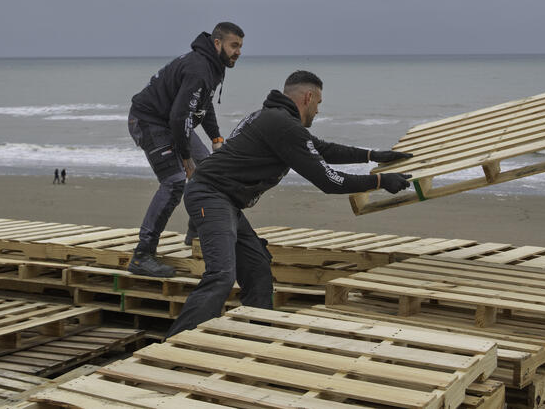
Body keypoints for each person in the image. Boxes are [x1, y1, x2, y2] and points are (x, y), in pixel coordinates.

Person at [166, 70, 412, 336]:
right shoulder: (282, 124)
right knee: (221, 276)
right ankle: (172, 347)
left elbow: (321, 149)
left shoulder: (273, 118)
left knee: (257, 266)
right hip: (210, 196)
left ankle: (259, 337)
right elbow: (329, 181)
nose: (317, 111)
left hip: (222, 199)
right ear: (308, 97)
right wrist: (379, 182)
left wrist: (373, 155)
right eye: (318, 103)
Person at [127, 22, 245, 278]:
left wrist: (216, 137)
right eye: (234, 45)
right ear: (217, 43)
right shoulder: (199, 69)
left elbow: (204, 104)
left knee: (210, 171)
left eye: (240, 47)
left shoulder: (213, 67)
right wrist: (186, 159)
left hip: (172, 121)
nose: (238, 52)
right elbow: (180, 117)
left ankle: (195, 233)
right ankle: (142, 255)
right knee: (175, 182)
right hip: (150, 121)